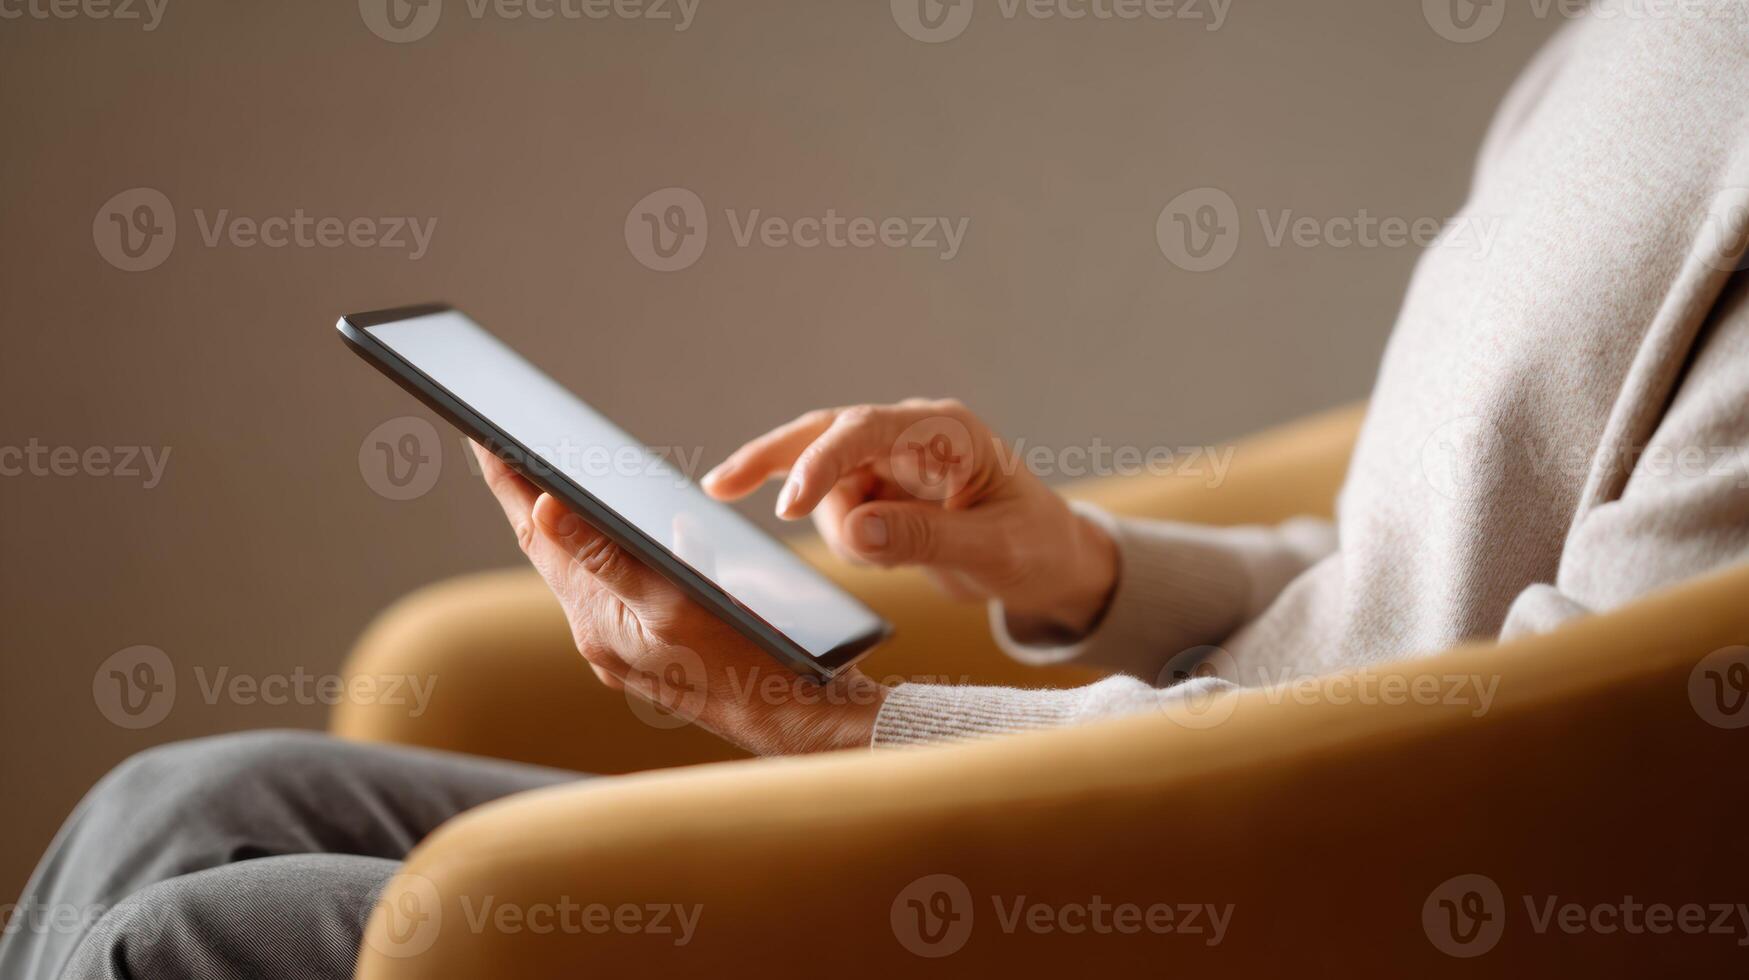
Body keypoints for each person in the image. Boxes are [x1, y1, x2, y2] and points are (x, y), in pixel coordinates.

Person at [6, 9, 1748, 979]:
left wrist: (830, 723)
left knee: (194, 949)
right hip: (1169, 781)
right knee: (190, 793)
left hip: (1252, 904)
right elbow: (1428, 562)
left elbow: (1591, 775)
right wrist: (1073, 562)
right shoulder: (1629, 36)